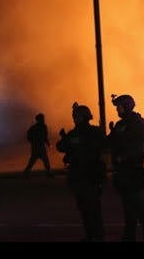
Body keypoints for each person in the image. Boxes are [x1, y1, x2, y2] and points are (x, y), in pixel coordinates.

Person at [56, 102, 107, 241]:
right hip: (86, 175)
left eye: (76, 116)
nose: (74, 118)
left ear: (83, 117)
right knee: (89, 207)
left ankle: (94, 235)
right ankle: (95, 235)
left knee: (88, 208)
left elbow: (61, 146)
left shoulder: (78, 134)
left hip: (86, 175)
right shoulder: (94, 132)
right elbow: (61, 147)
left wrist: (64, 138)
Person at [108, 94, 144, 242]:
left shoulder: (137, 122)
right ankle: (130, 235)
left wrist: (125, 157)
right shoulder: (120, 125)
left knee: (137, 203)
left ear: (127, 106)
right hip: (122, 169)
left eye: (119, 107)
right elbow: (111, 141)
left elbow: (139, 146)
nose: (117, 110)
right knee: (127, 205)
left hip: (133, 168)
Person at [23, 113, 54, 178]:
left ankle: (25, 173)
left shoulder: (32, 128)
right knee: (45, 160)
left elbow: (28, 137)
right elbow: (45, 137)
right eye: (43, 118)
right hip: (41, 147)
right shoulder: (43, 127)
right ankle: (49, 173)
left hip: (35, 147)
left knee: (32, 161)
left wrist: (33, 142)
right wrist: (49, 144)